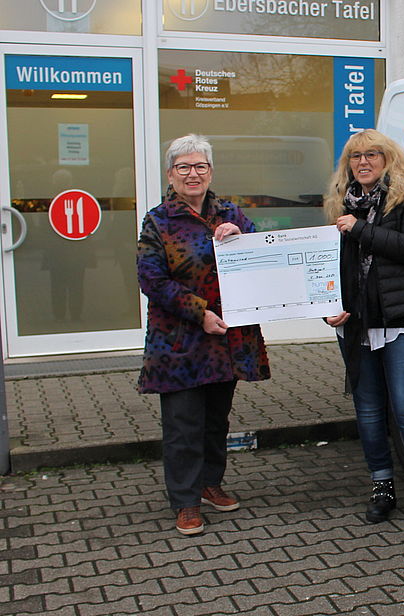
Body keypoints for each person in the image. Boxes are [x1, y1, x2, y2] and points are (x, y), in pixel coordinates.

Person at [137, 134, 271, 536]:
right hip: (179, 340)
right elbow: (152, 280)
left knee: (215, 419)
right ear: (170, 174)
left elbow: (261, 254)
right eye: (183, 167)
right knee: (183, 424)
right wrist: (200, 312)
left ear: (210, 172)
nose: (192, 174)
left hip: (225, 338)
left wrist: (241, 234)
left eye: (200, 166)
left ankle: (210, 483)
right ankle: (185, 501)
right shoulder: (158, 221)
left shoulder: (230, 211)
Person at [324, 129, 404, 530]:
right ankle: (382, 487)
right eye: (355, 156)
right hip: (356, 324)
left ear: (388, 159)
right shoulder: (339, 202)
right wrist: (329, 307)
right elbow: (327, 265)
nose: (363, 162)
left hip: (402, 321)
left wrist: (359, 229)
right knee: (369, 409)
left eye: (372, 154)